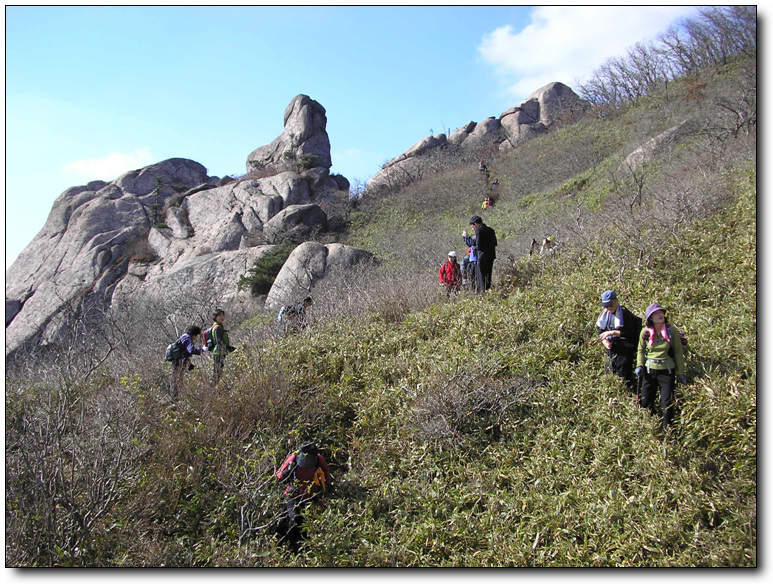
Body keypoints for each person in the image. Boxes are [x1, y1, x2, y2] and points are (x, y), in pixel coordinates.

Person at [635, 303, 686, 429]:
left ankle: (667, 433)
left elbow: (678, 352)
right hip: (649, 371)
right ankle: (649, 429)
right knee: (646, 402)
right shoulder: (645, 332)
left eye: (661, 313)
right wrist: (639, 365)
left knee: (666, 404)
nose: (660, 315)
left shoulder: (671, 331)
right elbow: (641, 350)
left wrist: (681, 373)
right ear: (650, 318)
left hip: (666, 372)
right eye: (656, 314)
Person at [276, 442, 332, 552]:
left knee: (307, 524)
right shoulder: (294, 458)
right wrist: (286, 473)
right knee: (294, 519)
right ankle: (292, 547)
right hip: (293, 495)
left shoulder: (318, 459)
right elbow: (279, 474)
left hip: (311, 496)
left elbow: (326, 470)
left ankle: (304, 550)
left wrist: (328, 485)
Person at [596, 290, 642, 393]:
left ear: (616, 301)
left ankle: (627, 395)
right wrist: (605, 341)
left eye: (610, 305)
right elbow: (600, 332)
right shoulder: (605, 315)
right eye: (605, 306)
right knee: (610, 375)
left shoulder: (624, 314)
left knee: (624, 377)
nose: (608, 309)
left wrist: (612, 333)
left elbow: (630, 333)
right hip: (611, 350)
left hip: (624, 350)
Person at [170, 325, 207, 400]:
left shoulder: (184, 337)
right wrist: (202, 349)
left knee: (176, 379)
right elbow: (191, 350)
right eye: (196, 336)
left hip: (178, 361)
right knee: (178, 379)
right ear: (194, 334)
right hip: (179, 362)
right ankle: (175, 398)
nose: (196, 338)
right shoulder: (187, 338)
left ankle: (176, 397)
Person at [470, 215, 497, 293]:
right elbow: (495, 243)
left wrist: (475, 248)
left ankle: (483, 292)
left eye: (473, 226)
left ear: (476, 224)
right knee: (488, 274)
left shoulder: (479, 231)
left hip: (482, 256)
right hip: (491, 255)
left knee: (481, 276)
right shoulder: (491, 230)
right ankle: (488, 290)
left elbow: (478, 245)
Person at [210, 309, 235, 385]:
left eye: (223, 315)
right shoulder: (217, 327)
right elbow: (219, 341)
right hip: (218, 352)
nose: (222, 317)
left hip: (220, 351)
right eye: (219, 316)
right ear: (215, 317)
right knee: (217, 371)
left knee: (219, 370)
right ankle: (213, 388)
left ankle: (215, 387)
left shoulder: (219, 326)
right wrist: (228, 348)